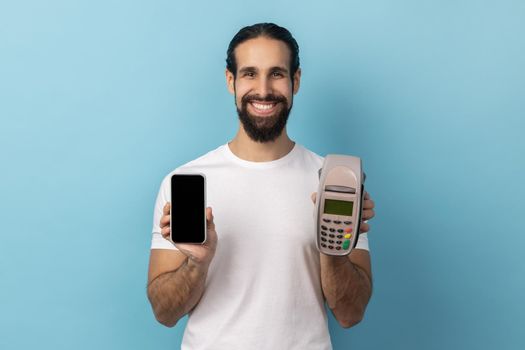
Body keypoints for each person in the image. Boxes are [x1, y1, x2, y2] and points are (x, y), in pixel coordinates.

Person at [146, 22, 375, 350]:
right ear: (231, 81)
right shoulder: (186, 183)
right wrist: (198, 263)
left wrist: (333, 252)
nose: (264, 89)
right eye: (250, 73)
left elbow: (351, 314)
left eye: (277, 74)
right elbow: (164, 313)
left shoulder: (336, 182)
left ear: (296, 80)